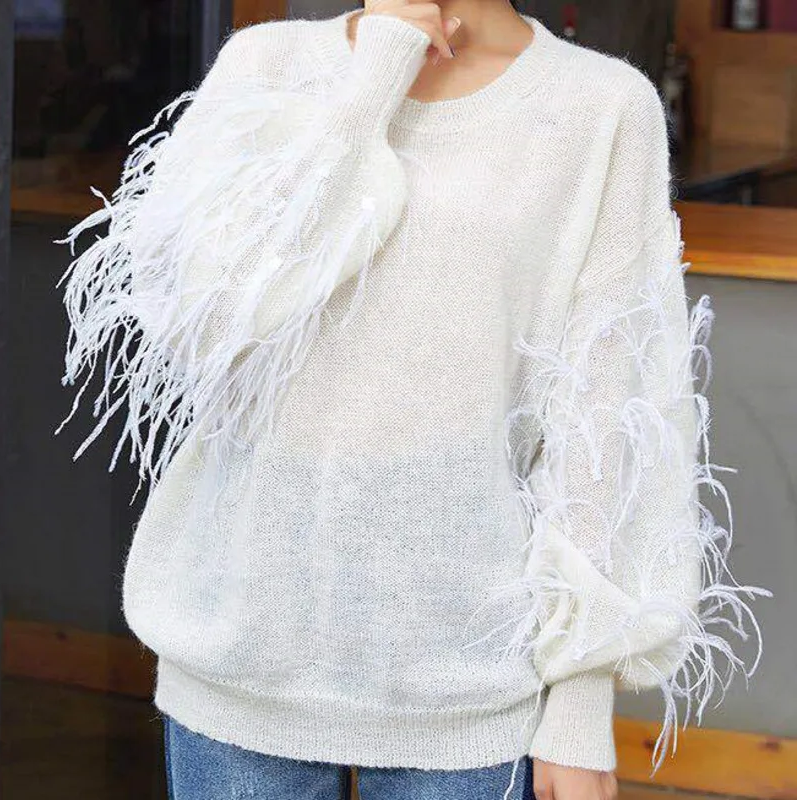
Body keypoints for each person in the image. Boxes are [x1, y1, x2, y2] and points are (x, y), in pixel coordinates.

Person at [55, 1, 768, 799]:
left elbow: (606, 414)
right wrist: (374, 76)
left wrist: (580, 699)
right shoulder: (269, 64)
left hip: (470, 674)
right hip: (238, 650)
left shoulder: (599, 108)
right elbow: (207, 324)